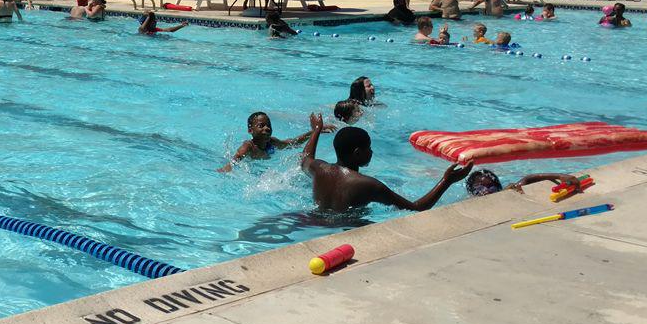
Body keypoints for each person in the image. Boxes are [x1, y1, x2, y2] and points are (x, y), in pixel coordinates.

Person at [299, 114, 474, 212]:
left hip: (315, 219)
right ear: (357, 153)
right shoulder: (367, 184)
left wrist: (316, 130)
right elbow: (415, 208)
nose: (372, 152)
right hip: (347, 228)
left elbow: (305, 158)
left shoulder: (319, 169)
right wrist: (446, 181)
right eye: (369, 148)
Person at [218, 111, 335, 172]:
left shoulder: (271, 142)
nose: (266, 128)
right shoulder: (249, 146)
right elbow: (238, 156)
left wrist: (313, 132)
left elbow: (291, 143)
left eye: (268, 125)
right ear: (250, 130)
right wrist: (229, 166)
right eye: (261, 125)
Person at [466, 169, 584, 197]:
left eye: (490, 186)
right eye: (479, 187)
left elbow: (528, 179)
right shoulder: (468, 201)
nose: (485, 190)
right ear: (471, 190)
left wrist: (559, 176)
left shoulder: (506, 190)